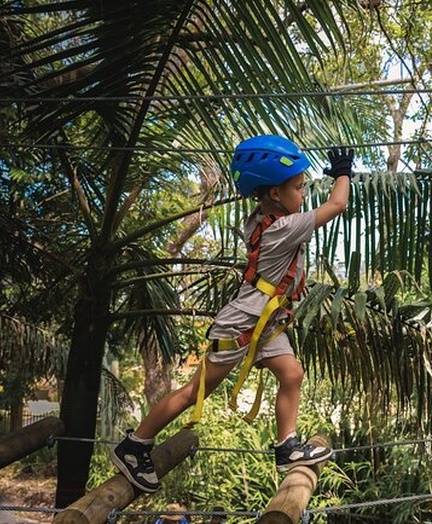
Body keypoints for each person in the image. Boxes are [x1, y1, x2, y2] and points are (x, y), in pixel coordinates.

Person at [111, 135, 353, 493]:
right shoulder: (284, 227)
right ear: (274, 194)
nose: (304, 195)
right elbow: (337, 204)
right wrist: (344, 173)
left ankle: (287, 446)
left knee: (292, 372)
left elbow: (305, 205)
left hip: (263, 322)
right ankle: (134, 446)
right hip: (242, 323)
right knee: (196, 390)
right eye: (299, 188)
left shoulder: (260, 219)